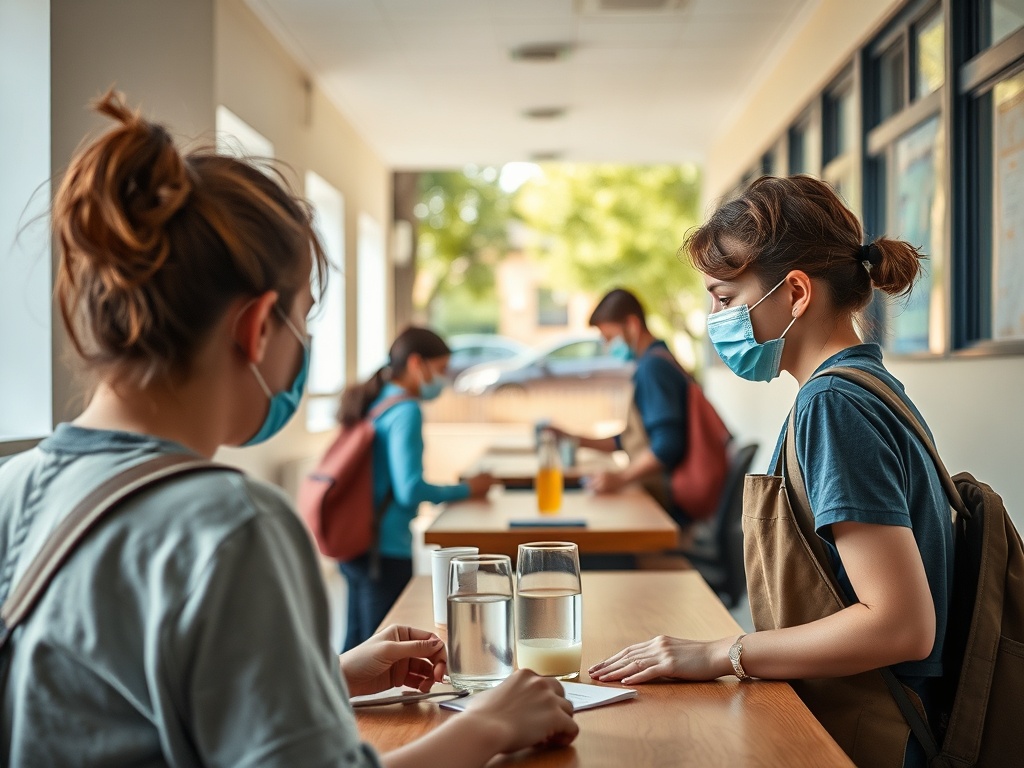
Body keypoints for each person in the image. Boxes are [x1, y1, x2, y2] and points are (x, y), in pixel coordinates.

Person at [0, 91, 576, 768]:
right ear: (257, 326)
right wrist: (488, 724)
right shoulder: (233, 525)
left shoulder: (14, 486)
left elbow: (113, 715)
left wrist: (328, 674)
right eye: (303, 318)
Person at [589, 175, 954, 768]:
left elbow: (900, 625)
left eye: (726, 299)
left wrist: (720, 654)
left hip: (881, 738)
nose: (715, 318)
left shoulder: (833, 406)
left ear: (796, 293)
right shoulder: (865, 386)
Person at [336, 327, 495, 650]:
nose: (443, 380)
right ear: (415, 364)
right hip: (384, 549)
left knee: (354, 645)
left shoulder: (377, 401)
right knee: (378, 649)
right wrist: (468, 489)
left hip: (356, 541)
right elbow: (410, 490)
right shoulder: (406, 410)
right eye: (440, 370)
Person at [551, 289, 693, 524]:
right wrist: (574, 438)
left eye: (609, 337)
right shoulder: (654, 360)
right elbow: (631, 439)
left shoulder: (653, 368)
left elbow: (667, 445)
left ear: (631, 324)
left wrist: (621, 478)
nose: (607, 346)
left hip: (665, 502)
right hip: (657, 496)